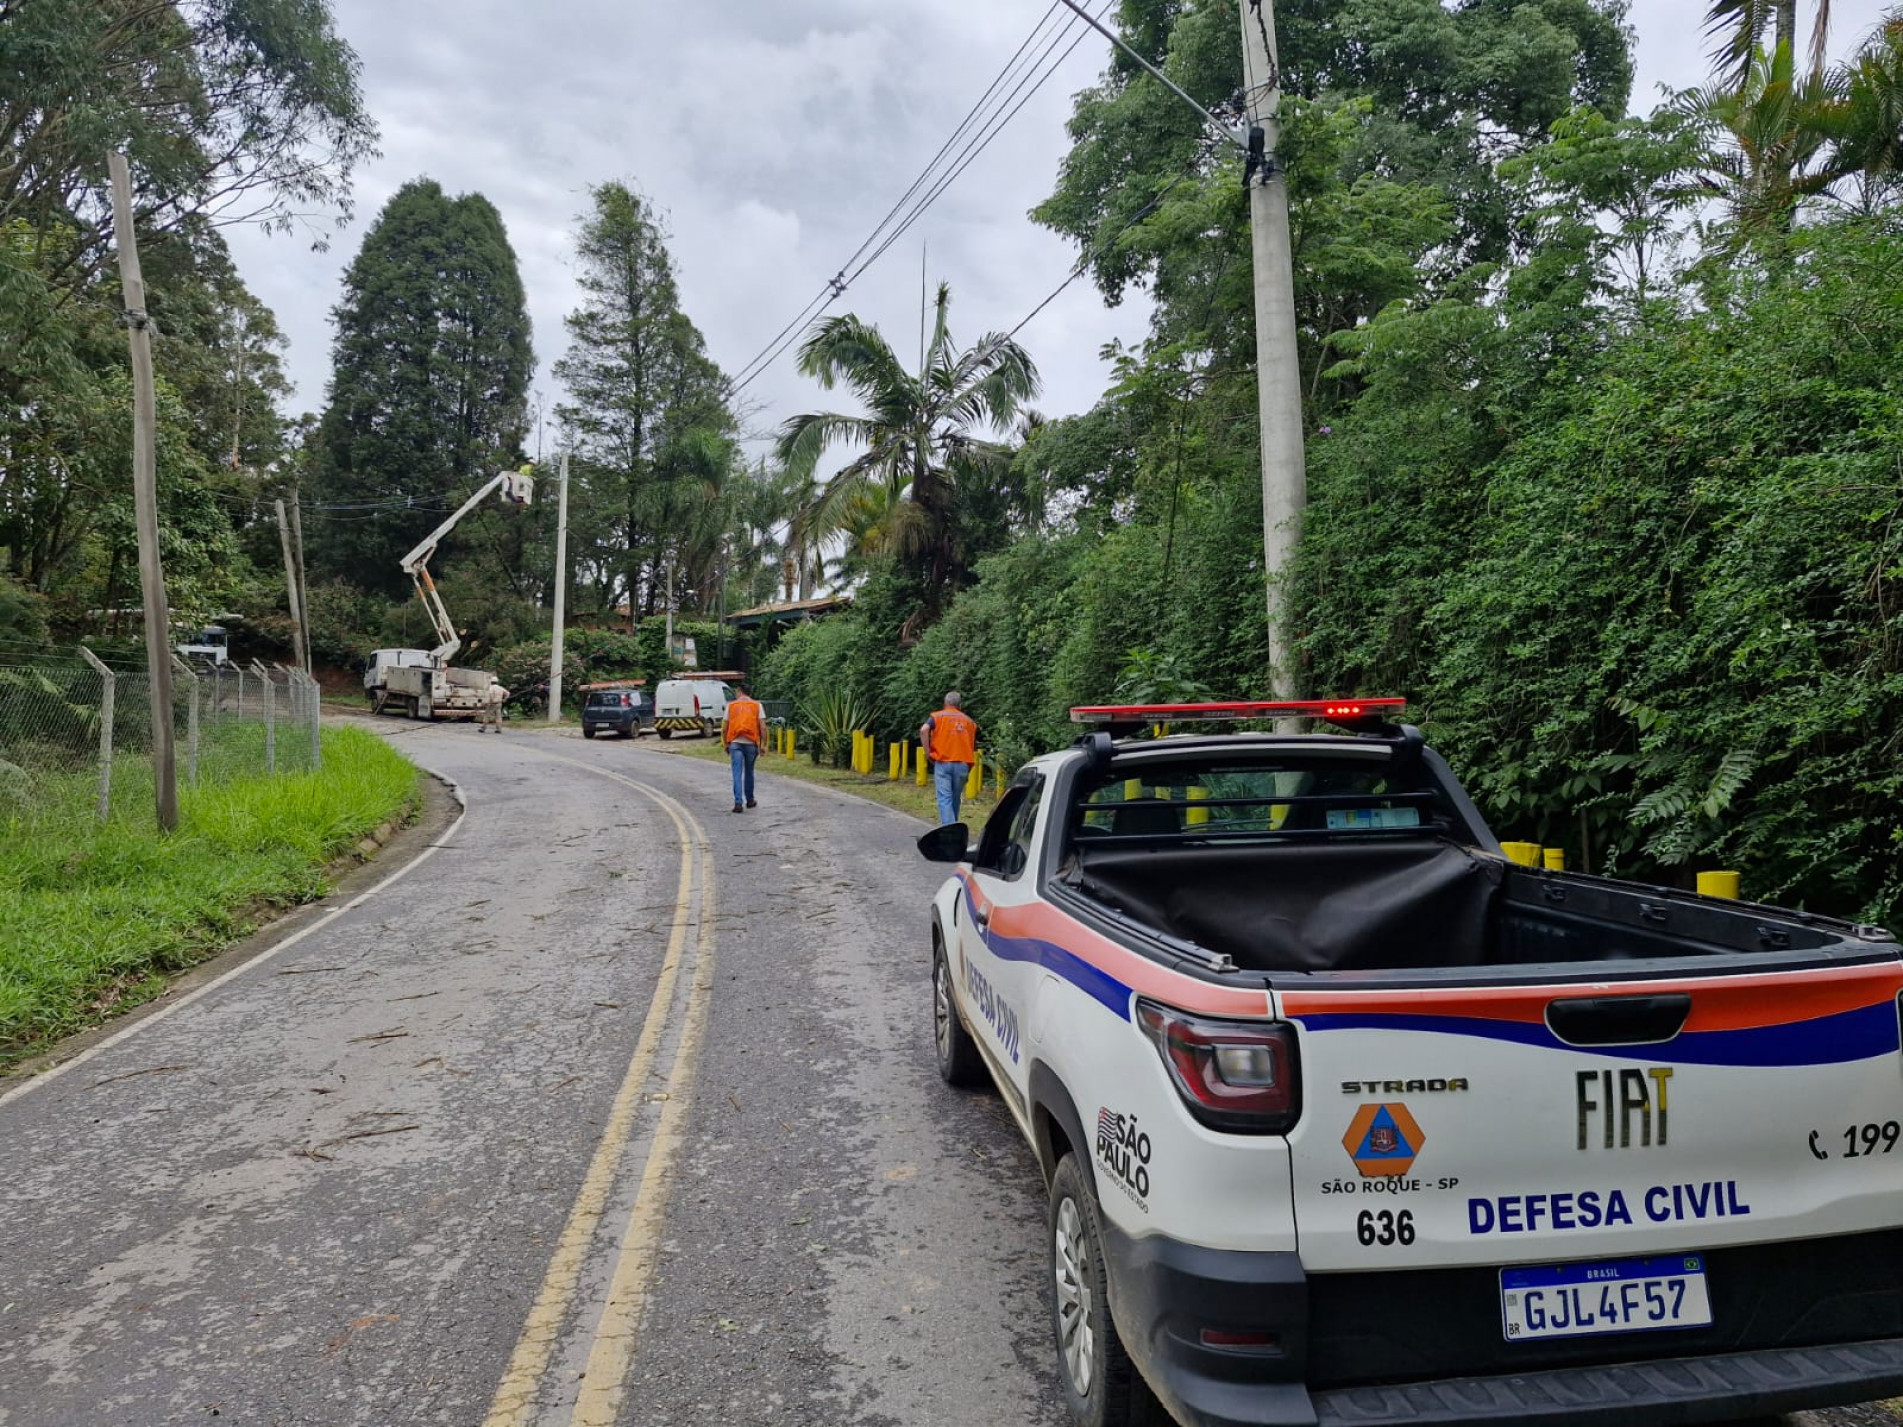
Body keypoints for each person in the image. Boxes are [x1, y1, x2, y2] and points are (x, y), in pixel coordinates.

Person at [919, 690, 978, 826]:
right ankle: (953, 827)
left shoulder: (937, 716)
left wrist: (928, 753)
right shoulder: (969, 721)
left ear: (945, 704)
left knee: (945, 798)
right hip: (963, 764)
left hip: (943, 762)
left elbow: (923, 730)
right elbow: (972, 744)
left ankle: (949, 830)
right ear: (960, 705)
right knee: (955, 798)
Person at [723, 683, 765, 813]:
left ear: (739, 691)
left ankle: (738, 803)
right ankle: (750, 800)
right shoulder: (757, 705)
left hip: (735, 742)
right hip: (751, 743)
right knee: (749, 772)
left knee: (736, 773)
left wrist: (726, 743)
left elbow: (725, 727)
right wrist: (763, 745)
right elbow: (763, 727)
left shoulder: (731, 706)